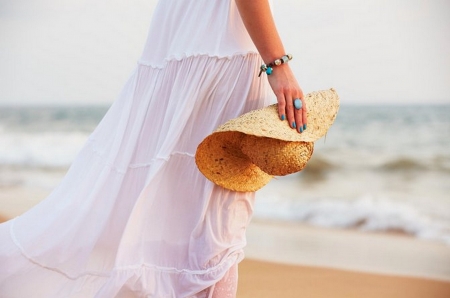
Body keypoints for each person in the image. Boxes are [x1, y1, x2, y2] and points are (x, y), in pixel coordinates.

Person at [0, 0, 306, 296]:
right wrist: (277, 63)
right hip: (223, 50)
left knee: (173, 224)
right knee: (212, 231)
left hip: (182, 41)